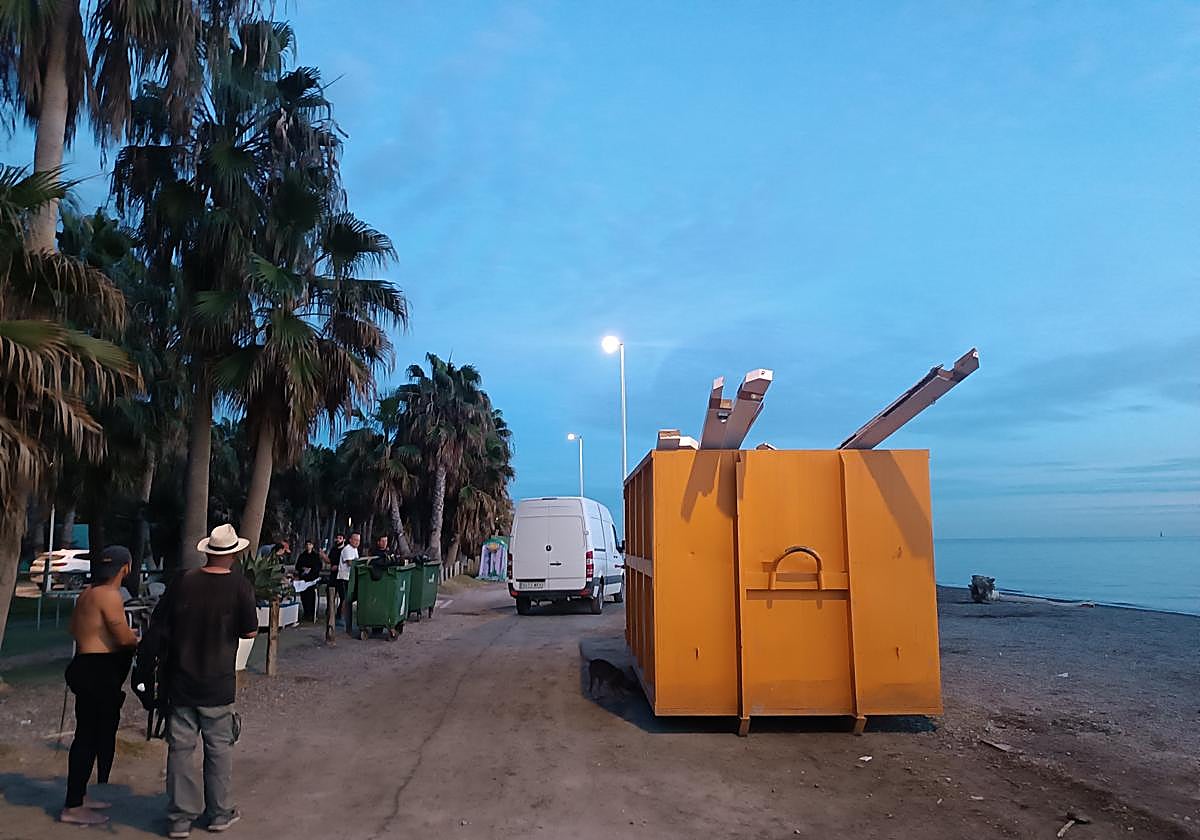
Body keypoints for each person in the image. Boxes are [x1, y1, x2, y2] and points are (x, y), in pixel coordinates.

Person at [151, 523, 258, 838]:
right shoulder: (240, 586)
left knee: (180, 749)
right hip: (218, 681)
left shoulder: (183, 581)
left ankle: (180, 819)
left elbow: (162, 622)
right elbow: (250, 631)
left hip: (181, 681)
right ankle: (218, 814)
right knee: (219, 748)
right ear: (235, 554)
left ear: (208, 552)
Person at [60, 546, 138, 826]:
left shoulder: (87, 594)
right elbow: (122, 636)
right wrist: (137, 639)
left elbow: (74, 629)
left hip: (82, 663)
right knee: (89, 738)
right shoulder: (109, 595)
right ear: (125, 568)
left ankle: (78, 796)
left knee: (87, 734)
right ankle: (72, 807)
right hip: (98, 670)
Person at [294, 540, 322, 622]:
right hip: (303, 578)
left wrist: (311, 570)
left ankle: (312, 613)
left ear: (312, 546)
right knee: (304, 596)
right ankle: (306, 612)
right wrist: (303, 569)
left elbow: (318, 566)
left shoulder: (315, 556)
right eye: (307, 544)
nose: (308, 546)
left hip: (312, 579)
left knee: (311, 596)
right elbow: (298, 566)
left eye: (310, 544)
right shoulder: (302, 555)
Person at [338, 532, 361, 635]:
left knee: (349, 599)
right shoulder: (347, 549)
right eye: (355, 540)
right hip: (344, 578)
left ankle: (347, 618)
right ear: (350, 540)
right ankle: (342, 618)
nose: (357, 542)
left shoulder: (355, 550)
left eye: (358, 540)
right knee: (345, 599)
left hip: (351, 578)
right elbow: (350, 562)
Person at [325, 534, 347, 630]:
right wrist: (324, 557)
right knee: (330, 594)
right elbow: (329, 561)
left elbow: (347, 563)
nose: (338, 540)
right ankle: (330, 612)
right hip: (333, 576)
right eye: (337, 538)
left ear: (344, 539)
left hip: (342, 576)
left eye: (340, 538)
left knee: (343, 597)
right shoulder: (334, 549)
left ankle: (340, 615)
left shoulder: (345, 550)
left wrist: (338, 567)